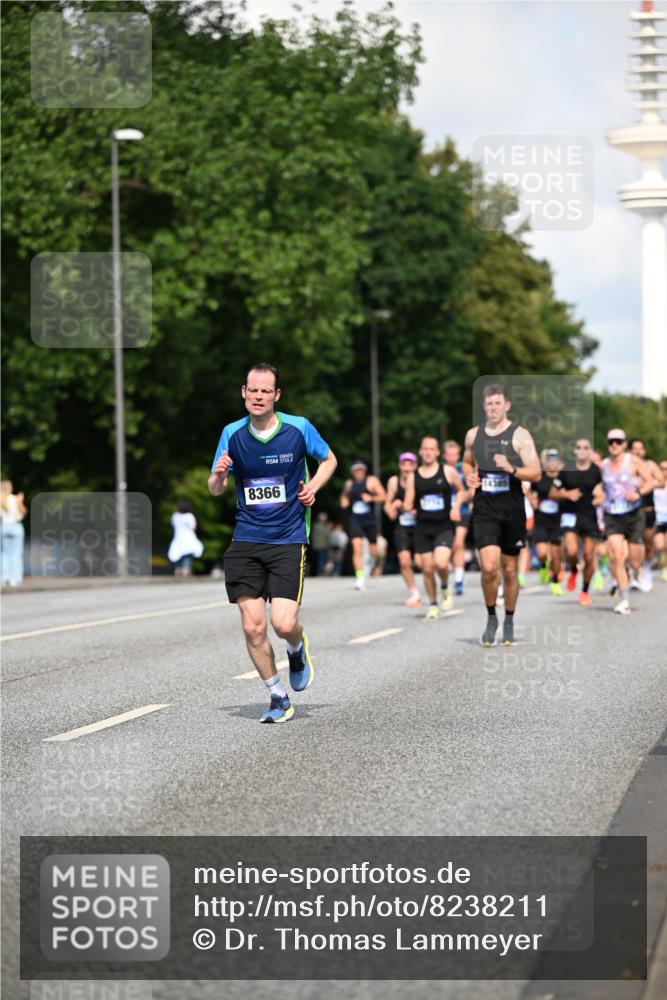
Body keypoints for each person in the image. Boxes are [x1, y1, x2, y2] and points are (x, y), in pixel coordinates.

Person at [209, 362, 337, 723]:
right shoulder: (231, 433)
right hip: (246, 537)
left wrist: (313, 487)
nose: (259, 396)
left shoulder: (298, 428)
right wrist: (218, 476)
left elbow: (329, 460)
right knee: (253, 626)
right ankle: (277, 696)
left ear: (276, 396)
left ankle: (296, 647)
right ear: (244, 393)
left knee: (282, 623)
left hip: (288, 538)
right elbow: (215, 488)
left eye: (266, 391)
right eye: (254, 390)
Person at [462, 383, 541, 646]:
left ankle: (508, 618)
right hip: (484, 508)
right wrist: (469, 475)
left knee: (509, 570)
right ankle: (491, 617)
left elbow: (536, 472)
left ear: (507, 405)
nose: (493, 408)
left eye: (497, 403)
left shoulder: (520, 436)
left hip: (512, 510)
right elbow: (466, 461)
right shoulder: (473, 435)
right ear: (484, 407)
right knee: (487, 568)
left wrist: (511, 468)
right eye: (489, 404)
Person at [404, 436, 465, 620]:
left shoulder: (447, 471)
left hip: (443, 526)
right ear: (421, 452)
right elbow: (408, 502)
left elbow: (462, 491)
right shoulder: (413, 477)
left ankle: (445, 588)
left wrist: (455, 508)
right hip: (422, 527)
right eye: (425, 449)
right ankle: (432, 603)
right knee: (428, 569)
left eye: (432, 449)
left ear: (438, 452)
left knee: (440, 563)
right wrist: (408, 507)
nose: (429, 452)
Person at [600, 428, 653, 615]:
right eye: (611, 441)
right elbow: (600, 486)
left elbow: (650, 482)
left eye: (618, 441)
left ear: (624, 444)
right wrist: (598, 493)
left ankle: (637, 569)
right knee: (616, 555)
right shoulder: (603, 465)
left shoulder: (634, 462)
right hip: (613, 515)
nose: (614, 445)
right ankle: (624, 600)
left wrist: (637, 493)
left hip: (633, 514)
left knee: (635, 559)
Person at [550, 439, 604, 606]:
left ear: (590, 451)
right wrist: (566, 495)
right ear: (574, 451)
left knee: (589, 555)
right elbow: (552, 492)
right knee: (572, 551)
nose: (582, 450)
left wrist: (601, 496)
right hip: (570, 514)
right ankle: (573, 570)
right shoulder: (567, 470)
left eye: (585, 448)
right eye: (579, 447)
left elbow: (606, 489)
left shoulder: (596, 471)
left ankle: (585, 591)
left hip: (589, 515)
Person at [340, 460, 386, 590]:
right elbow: (343, 502)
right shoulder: (349, 484)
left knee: (374, 551)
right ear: (353, 472)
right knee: (356, 547)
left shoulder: (371, 481)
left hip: (370, 520)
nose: (358, 472)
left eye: (361, 470)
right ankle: (359, 577)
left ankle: (372, 564)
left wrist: (371, 498)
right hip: (356, 520)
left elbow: (383, 496)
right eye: (356, 470)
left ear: (364, 471)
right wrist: (345, 497)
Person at [384, 452, 422, 606]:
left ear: (415, 466)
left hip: (421, 525)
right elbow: (387, 502)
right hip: (403, 525)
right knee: (404, 562)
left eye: (410, 464)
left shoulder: (421, 479)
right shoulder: (394, 481)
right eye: (404, 464)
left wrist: (415, 510)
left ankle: (438, 587)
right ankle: (414, 593)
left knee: (421, 563)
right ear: (400, 466)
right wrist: (391, 509)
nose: (407, 467)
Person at [629, 437, 665, 592]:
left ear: (644, 451)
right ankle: (633, 573)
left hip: (648, 510)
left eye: (640, 448)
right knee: (632, 545)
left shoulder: (650, 465)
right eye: (634, 448)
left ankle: (647, 571)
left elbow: (662, 482)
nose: (638, 451)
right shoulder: (625, 465)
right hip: (630, 511)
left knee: (649, 544)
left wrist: (648, 484)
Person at [531, 449, 565, 596]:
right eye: (549, 460)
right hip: (541, 520)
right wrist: (532, 499)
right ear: (545, 462)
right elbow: (529, 491)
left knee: (556, 555)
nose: (552, 463)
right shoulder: (539, 477)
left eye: (555, 460)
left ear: (559, 462)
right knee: (542, 553)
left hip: (557, 521)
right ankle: (544, 566)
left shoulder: (564, 478)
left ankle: (555, 581)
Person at [443, 440, 472, 595]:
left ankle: (459, 578)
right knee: (447, 545)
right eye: (449, 454)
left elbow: (473, 492)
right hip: (443, 514)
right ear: (444, 455)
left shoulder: (464, 469)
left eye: (455, 454)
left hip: (462, 511)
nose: (452, 457)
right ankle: (448, 570)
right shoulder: (440, 470)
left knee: (459, 543)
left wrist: (461, 499)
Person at [1, 481, 27, 587]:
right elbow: (23, 512)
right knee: (16, 554)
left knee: (4, 554)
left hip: (3, 526)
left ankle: (4, 577)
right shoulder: (16, 498)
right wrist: (20, 501)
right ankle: (14, 578)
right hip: (15, 526)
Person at [168, 500, 204, 577]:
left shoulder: (175, 516)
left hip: (178, 539)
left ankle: (178, 571)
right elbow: (193, 528)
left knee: (178, 557)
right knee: (187, 558)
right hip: (188, 539)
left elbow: (173, 525)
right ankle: (186, 572)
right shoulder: (190, 516)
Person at [653, 459, 667, 582]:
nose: (664, 471)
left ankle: (665, 569)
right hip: (657, 517)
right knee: (660, 545)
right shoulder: (654, 483)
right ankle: (661, 560)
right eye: (662, 468)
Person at [310, 512, 331, 577]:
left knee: (324, 560)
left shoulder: (325, 525)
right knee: (320, 560)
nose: (325, 518)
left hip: (325, 545)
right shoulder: (317, 525)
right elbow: (315, 536)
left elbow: (327, 535)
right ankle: (320, 573)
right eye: (323, 517)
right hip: (319, 545)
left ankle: (323, 572)